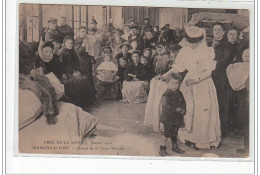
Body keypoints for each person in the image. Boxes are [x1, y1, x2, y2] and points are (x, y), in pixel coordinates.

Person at [161, 26, 221, 150]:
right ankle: (189, 137)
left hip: (203, 83)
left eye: (195, 42)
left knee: (203, 111)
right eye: (190, 42)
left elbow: (209, 72)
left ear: (200, 40)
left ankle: (202, 140)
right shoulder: (184, 51)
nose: (192, 45)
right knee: (187, 109)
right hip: (188, 83)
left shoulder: (209, 51)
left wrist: (196, 80)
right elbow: (179, 67)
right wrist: (165, 75)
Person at [210, 23, 235, 137]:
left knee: (223, 102)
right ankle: (213, 128)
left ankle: (223, 130)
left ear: (224, 32)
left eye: (219, 30)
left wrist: (211, 64)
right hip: (210, 76)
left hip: (222, 77)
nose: (217, 31)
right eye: (215, 29)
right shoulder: (210, 43)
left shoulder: (228, 44)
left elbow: (225, 60)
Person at [159, 73, 186, 156]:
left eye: (177, 83)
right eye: (172, 83)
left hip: (177, 117)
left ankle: (174, 146)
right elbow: (166, 106)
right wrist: (176, 109)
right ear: (167, 84)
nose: (175, 86)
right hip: (168, 118)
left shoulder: (179, 92)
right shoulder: (166, 94)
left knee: (175, 132)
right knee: (166, 133)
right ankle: (162, 149)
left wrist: (183, 109)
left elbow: (183, 102)